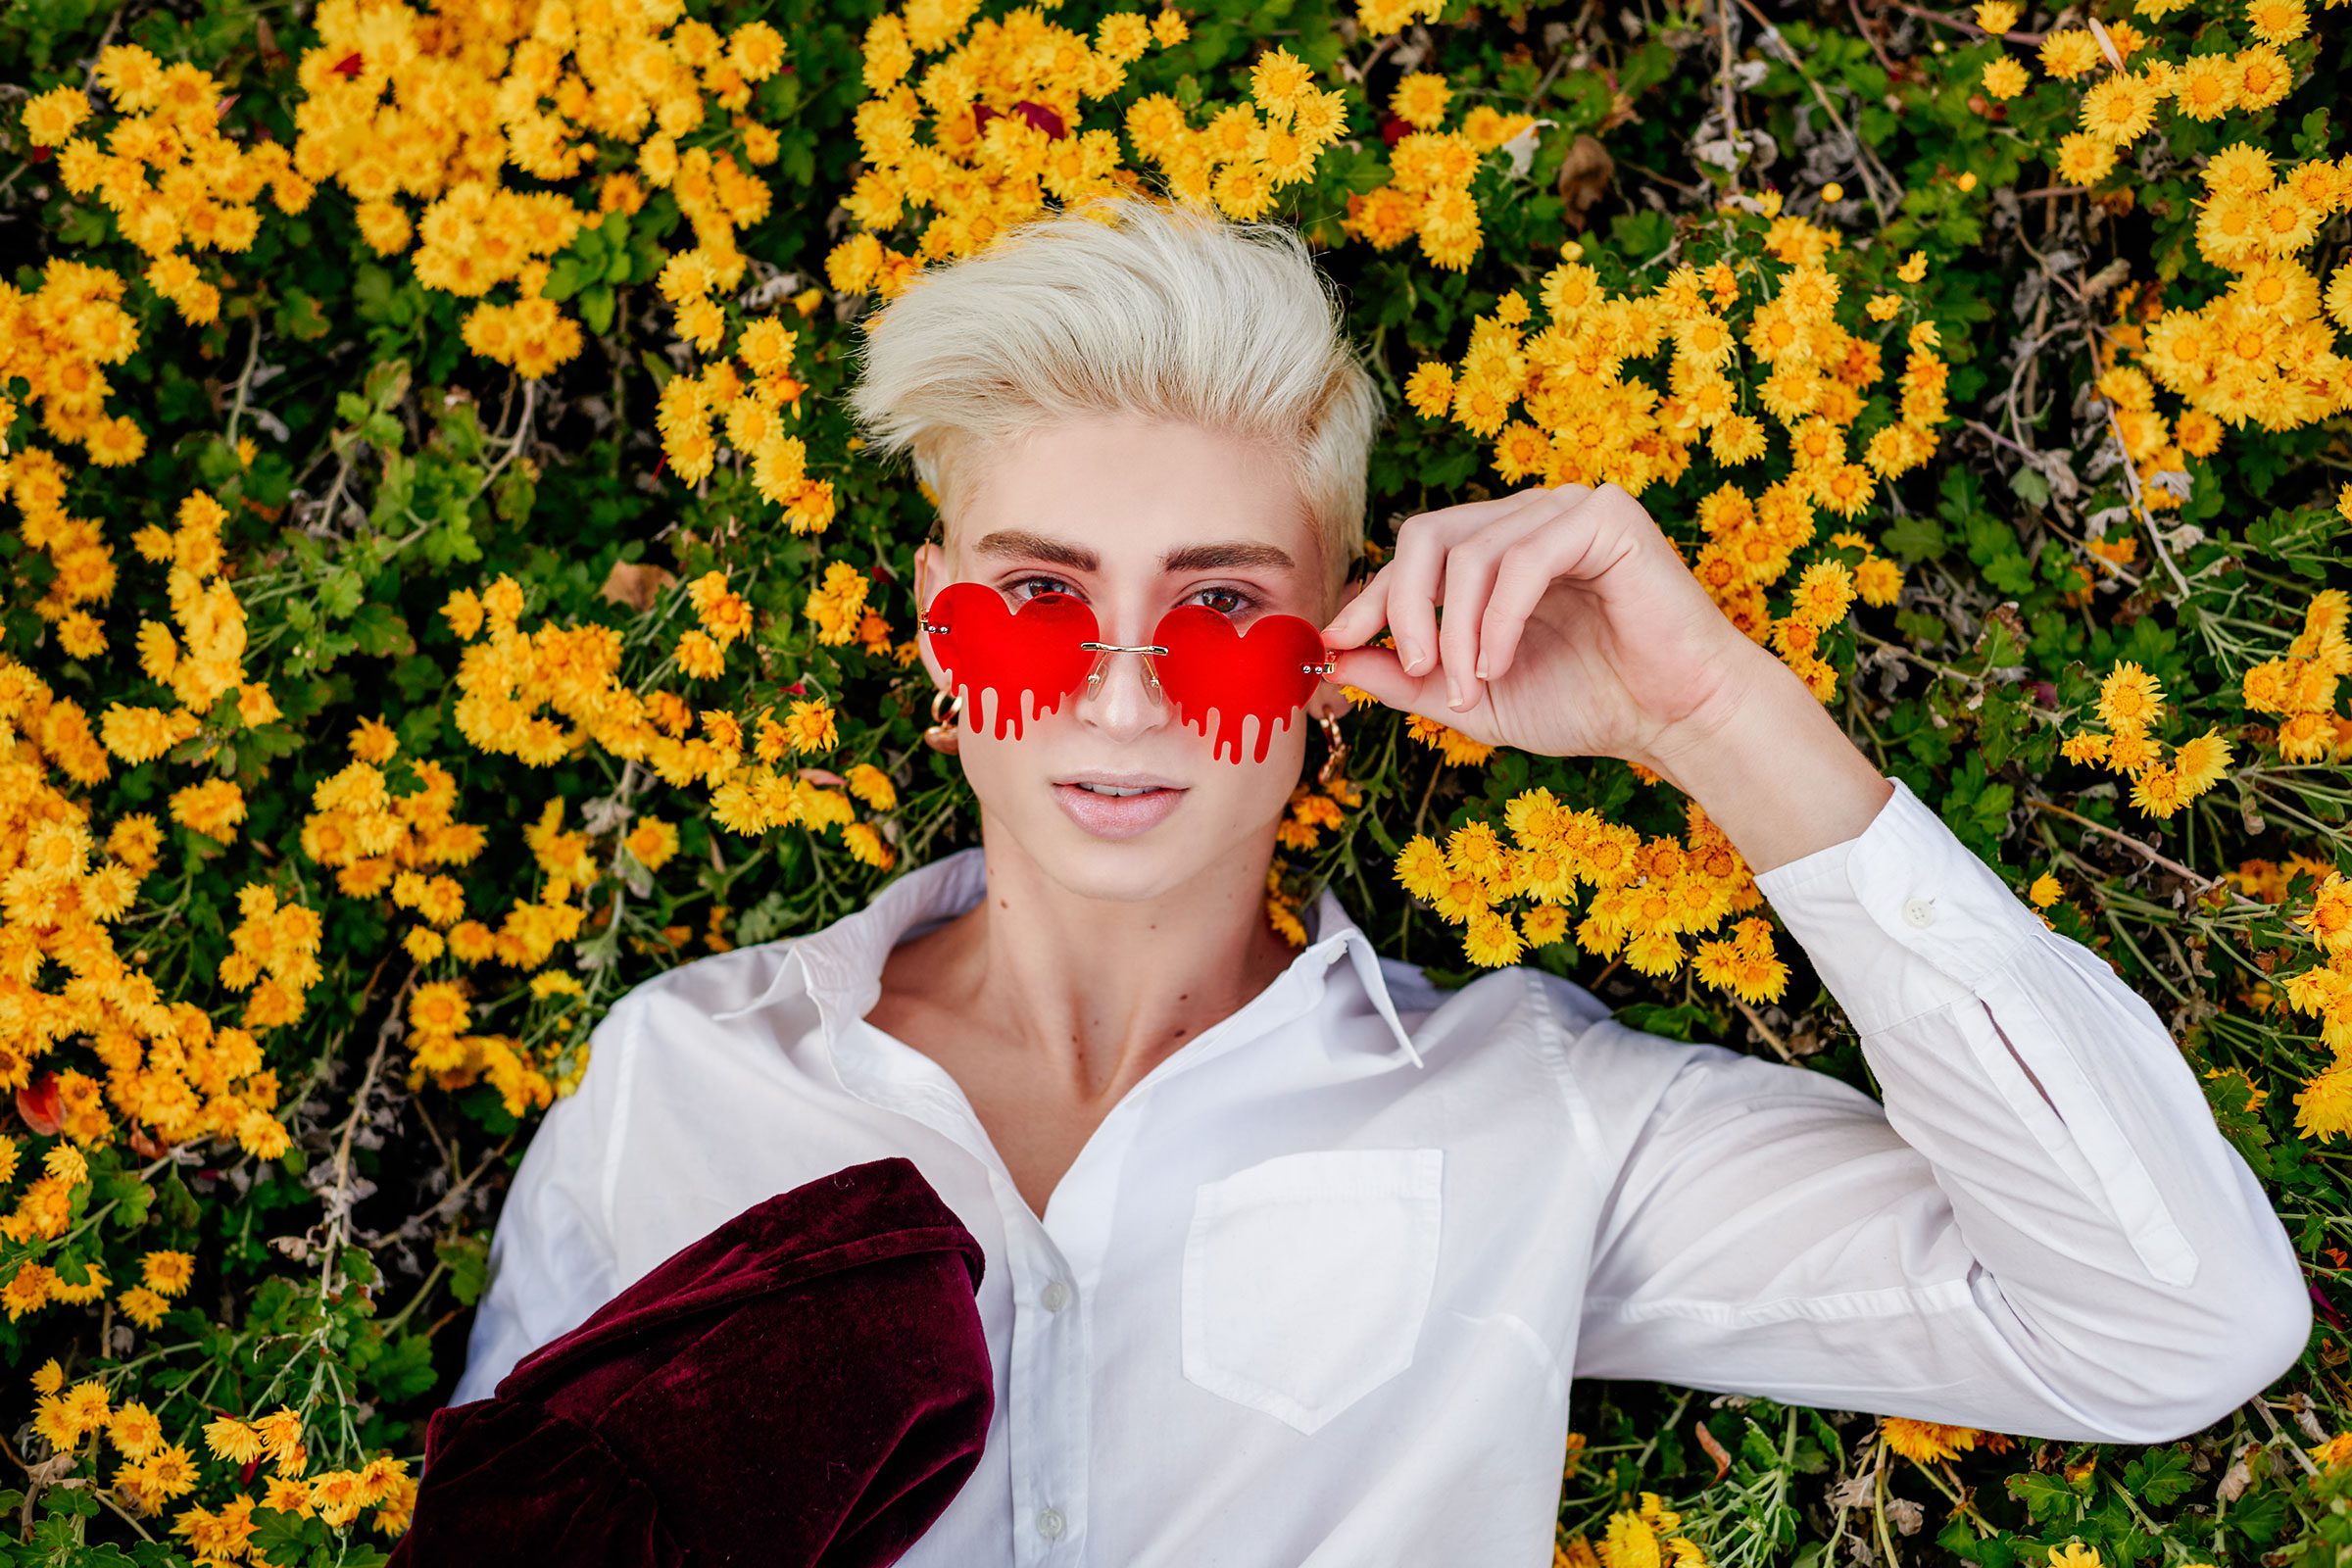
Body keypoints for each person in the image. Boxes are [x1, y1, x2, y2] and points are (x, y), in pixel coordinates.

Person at [448, 192, 2311, 1566]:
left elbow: (2173, 1322)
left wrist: (1717, 712)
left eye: (1224, 613)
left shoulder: (1534, 1118)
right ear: (937, 642)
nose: (1117, 688)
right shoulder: (681, 1081)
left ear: (1328, 666)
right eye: (1032, 602)